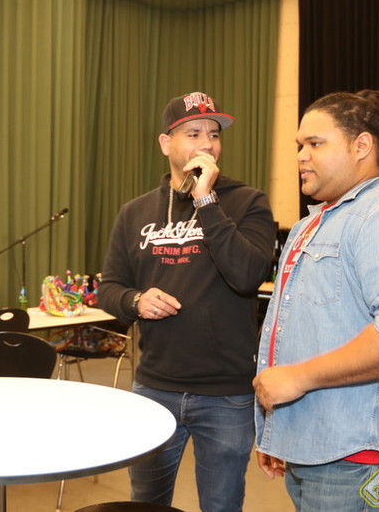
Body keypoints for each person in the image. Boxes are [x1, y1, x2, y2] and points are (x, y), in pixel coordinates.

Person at [253, 90, 379, 512]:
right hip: (315, 445)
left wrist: (297, 378)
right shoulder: (312, 223)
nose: (301, 156)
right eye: (299, 145)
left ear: (361, 146)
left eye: (315, 143)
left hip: (358, 458)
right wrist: (279, 433)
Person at [98, 91, 276, 511]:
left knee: (221, 505)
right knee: (146, 504)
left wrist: (206, 200)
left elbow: (247, 276)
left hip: (226, 394)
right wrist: (136, 300)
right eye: (193, 133)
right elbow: (109, 288)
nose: (207, 144)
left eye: (214, 134)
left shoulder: (248, 202)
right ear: (166, 143)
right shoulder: (134, 212)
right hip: (155, 387)